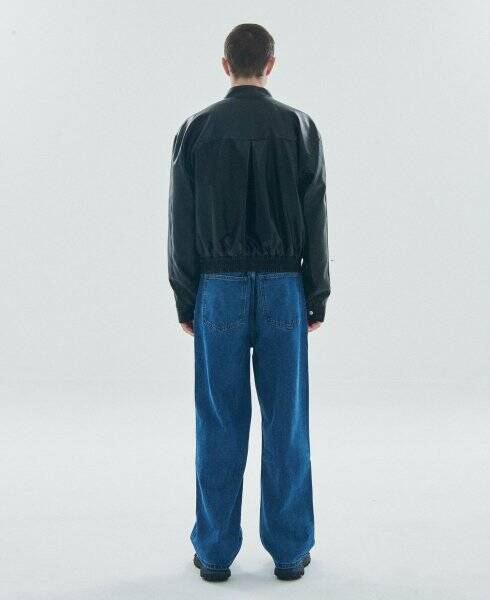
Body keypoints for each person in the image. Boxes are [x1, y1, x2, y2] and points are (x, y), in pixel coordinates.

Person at [167, 23, 330, 582]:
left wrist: (186, 296)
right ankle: (289, 552)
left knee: (219, 419)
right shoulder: (300, 127)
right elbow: (316, 214)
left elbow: (181, 219)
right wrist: (317, 292)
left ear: (225, 64)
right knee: (287, 421)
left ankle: (214, 554)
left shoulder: (196, 129)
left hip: (219, 289)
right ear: (271, 64)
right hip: (285, 285)